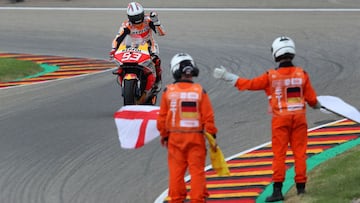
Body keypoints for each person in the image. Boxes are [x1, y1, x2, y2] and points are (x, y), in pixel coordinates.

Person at [212, 36, 321, 202]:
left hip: (280, 120)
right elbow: (312, 100)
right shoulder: (302, 74)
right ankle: (301, 189)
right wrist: (317, 105)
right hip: (299, 119)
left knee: (279, 155)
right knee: (300, 153)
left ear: (275, 53)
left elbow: (248, 84)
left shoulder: (271, 76)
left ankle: (278, 190)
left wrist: (228, 76)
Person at [157, 53, 218, 203]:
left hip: (175, 138)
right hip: (196, 137)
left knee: (176, 172)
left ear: (175, 70)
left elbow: (162, 118)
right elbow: (208, 117)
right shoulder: (200, 91)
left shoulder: (168, 92)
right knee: (197, 172)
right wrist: (212, 137)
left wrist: (164, 135)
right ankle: (198, 199)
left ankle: (176, 199)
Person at [109, 2, 166, 93]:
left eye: (139, 16)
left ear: (143, 13)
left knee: (156, 60)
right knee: (121, 63)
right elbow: (118, 38)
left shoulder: (149, 20)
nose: (138, 19)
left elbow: (161, 33)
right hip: (131, 46)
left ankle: (158, 81)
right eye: (134, 17)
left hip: (149, 45)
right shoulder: (126, 25)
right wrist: (113, 49)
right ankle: (123, 75)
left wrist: (156, 22)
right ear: (129, 17)